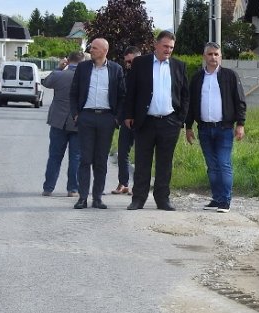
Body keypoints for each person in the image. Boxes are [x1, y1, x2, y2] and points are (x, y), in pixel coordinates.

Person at [124, 31, 189, 211]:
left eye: (171, 47)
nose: (168, 50)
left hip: (169, 122)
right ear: (156, 44)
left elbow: (185, 95)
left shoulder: (179, 66)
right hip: (145, 121)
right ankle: (138, 198)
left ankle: (162, 199)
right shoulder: (140, 63)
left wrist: (180, 119)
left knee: (165, 163)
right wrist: (129, 115)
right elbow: (131, 91)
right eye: (165, 46)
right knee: (142, 162)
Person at [185, 42, 246, 214]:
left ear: (221, 56)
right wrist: (188, 126)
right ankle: (217, 198)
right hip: (204, 128)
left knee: (224, 163)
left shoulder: (230, 76)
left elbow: (240, 101)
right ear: (204, 56)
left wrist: (240, 124)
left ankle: (225, 201)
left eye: (216, 54)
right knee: (211, 166)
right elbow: (191, 104)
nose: (213, 57)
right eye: (210, 54)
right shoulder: (197, 78)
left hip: (224, 128)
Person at [69, 37, 125, 209]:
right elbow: (74, 92)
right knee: (85, 160)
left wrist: (116, 118)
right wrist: (76, 114)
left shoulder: (116, 69)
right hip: (86, 117)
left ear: (104, 51)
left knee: (101, 160)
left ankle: (98, 197)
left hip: (106, 119)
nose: (90, 50)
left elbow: (123, 95)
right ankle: (82, 198)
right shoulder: (83, 67)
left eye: (94, 48)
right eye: (91, 47)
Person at [41, 51, 84, 198]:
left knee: (54, 156)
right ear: (82, 62)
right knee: (76, 157)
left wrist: (59, 67)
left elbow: (46, 82)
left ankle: (48, 187)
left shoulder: (59, 75)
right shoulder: (85, 77)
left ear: (68, 61)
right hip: (78, 122)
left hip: (58, 121)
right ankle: (72, 189)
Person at [111, 46, 141, 196]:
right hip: (126, 121)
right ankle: (123, 183)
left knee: (141, 154)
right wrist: (119, 117)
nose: (128, 64)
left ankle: (139, 186)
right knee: (122, 152)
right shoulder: (125, 76)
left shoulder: (147, 76)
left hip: (142, 121)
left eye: (131, 61)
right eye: (126, 62)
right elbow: (122, 98)